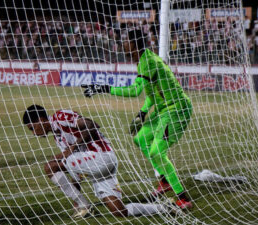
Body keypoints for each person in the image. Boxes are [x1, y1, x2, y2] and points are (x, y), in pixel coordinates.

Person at [82, 29, 193, 209]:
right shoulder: (144, 60)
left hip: (177, 110)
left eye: (126, 41)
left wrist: (104, 88)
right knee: (140, 138)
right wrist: (142, 113)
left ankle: (183, 197)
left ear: (134, 44)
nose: (123, 44)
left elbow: (135, 91)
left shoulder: (148, 62)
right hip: (163, 109)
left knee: (157, 152)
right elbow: (152, 94)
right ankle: (164, 180)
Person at [23, 104, 175, 218]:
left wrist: (71, 149)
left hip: (101, 157)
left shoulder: (60, 117)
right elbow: (75, 169)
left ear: (41, 120)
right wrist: (76, 198)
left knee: (51, 166)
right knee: (119, 211)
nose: (33, 133)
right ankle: (165, 207)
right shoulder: (57, 137)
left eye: (32, 127)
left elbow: (91, 125)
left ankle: (85, 205)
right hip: (96, 167)